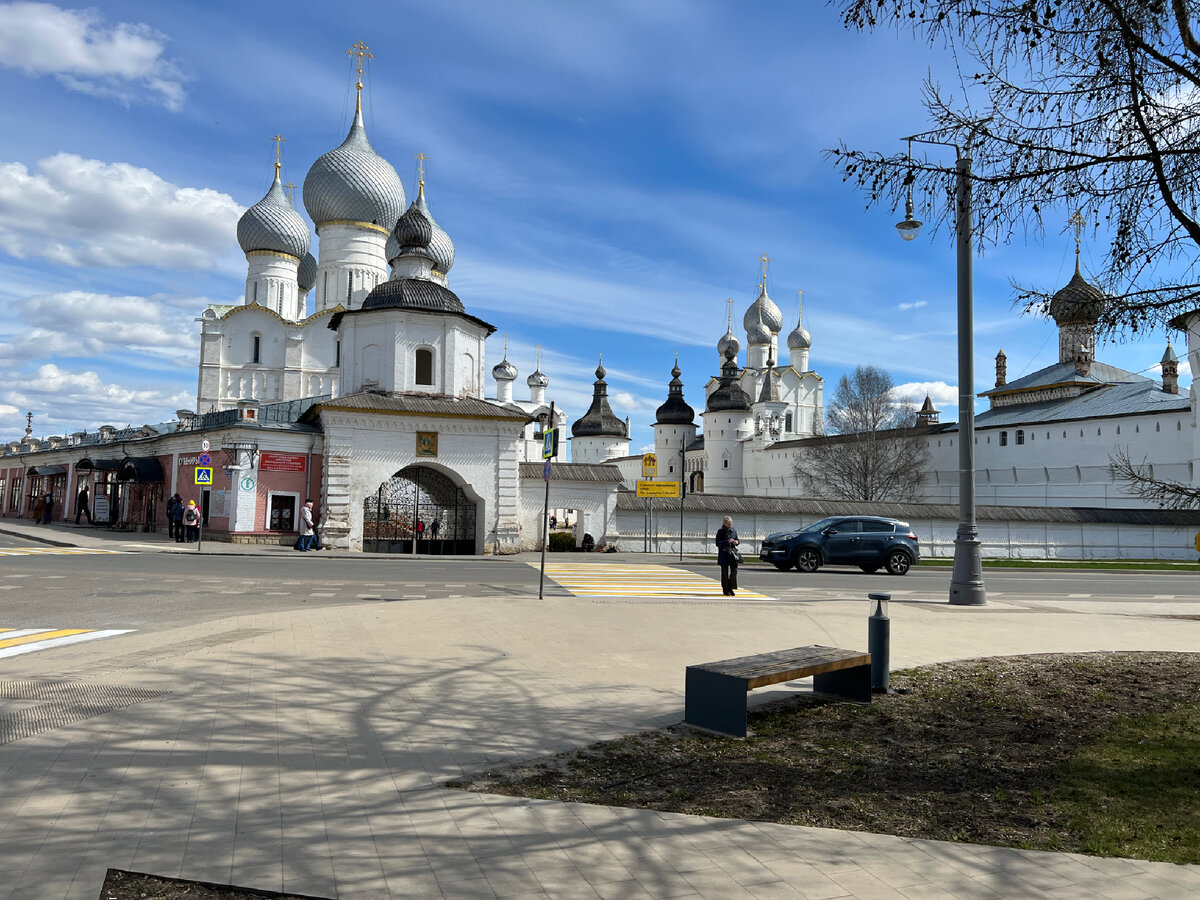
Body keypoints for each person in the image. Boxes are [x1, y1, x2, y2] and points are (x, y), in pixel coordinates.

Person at [716, 515, 740, 597]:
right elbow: (718, 543)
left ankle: (731, 587)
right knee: (724, 573)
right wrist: (727, 541)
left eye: (731, 523)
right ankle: (725, 590)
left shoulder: (734, 531)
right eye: (729, 523)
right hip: (724, 554)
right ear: (725, 523)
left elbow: (737, 539)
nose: (731, 525)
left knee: (734, 571)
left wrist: (737, 542)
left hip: (732, 554)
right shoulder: (720, 531)